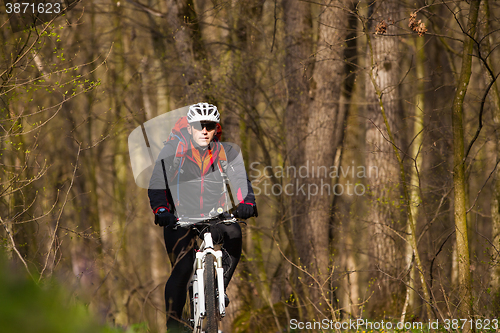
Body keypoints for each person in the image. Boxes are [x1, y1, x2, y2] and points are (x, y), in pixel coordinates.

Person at [148, 103, 257, 332]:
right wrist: (161, 210)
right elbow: (158, 182)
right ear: (190, 128)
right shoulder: (173, 150)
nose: (204, 130)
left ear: (216, 129)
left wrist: (246, 203)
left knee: (235, 234)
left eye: (210, 126)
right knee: (183, 267)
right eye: (199, 126)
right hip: (179, 218)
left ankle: (218, 289)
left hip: (214, 216)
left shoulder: (225, 151)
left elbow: (239, 182)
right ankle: (174, 325)